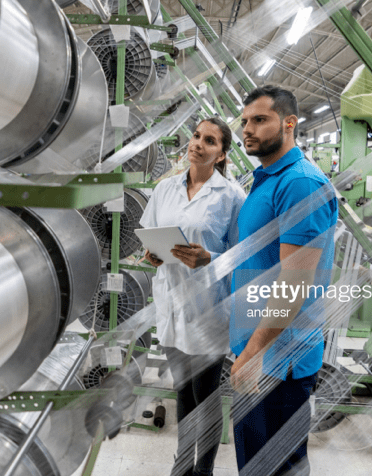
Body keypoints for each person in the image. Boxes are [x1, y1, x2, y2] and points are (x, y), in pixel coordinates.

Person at [229, 86, 338, 476]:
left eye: (260, 120)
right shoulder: (268, 179)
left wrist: (254, 352)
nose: (248, 129)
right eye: (245, 121)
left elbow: (294, 284)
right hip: (261, 351)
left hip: (278, 362)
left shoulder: (299, 183)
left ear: (289, 124)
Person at [139, 117, 246, 476]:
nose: (198, 144)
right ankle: (182, 463)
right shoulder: (165, 189)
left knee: (206, 393)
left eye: (210, 141)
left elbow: (244, 253)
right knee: (183, 389)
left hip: (208, 308)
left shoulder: (231, 197)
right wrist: (151, 255)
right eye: (197, 136)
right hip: (170, 302)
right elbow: (151, 232)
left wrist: (209, 259)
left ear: (221, 155)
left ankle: (205, 468)